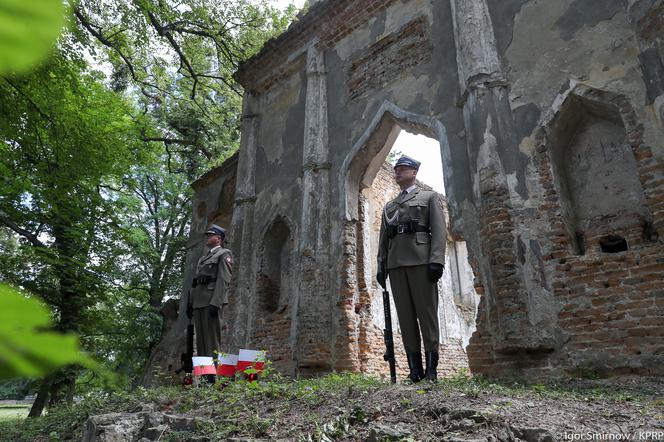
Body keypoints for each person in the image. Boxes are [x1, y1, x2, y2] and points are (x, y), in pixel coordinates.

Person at [376, 155, 447, 382]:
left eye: (402, 169)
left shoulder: (428, 197)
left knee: (427, 316)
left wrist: (437, 260)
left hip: (421, 261)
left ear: (414, 172)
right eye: (395, 169)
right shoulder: (390, 205)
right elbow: (383, 238)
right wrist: (381, 264)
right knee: (405, 319)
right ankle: (415, 370)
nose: (397, 172)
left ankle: (432, 371)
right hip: (396, 265)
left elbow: (439, 230)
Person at [187, 224, 233, 382]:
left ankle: (217, 379)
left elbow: (224, 280)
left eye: (210, 235)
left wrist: (217, 303)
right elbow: (196, 283)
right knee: (201, 343)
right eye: (207, 235)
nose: (207, 237)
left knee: (212, 341)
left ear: (218, 238)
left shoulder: (224, 254)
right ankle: (205, 378)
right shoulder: (203, 259)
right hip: (199, 303)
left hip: (211, 302)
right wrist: (190, 303)